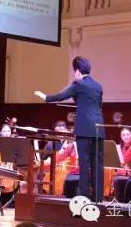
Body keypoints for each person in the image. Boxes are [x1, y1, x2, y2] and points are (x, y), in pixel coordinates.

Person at [35, 56, 105, 201]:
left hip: (84, 129)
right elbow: (99, 106)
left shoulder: (78, 84)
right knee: (97, 164)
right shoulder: (98, 86)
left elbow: (61, 96)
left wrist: (45, 97)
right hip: (99, 128)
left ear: (77, 71)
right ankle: (98, 199)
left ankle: (85, 197)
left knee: (84, 164)